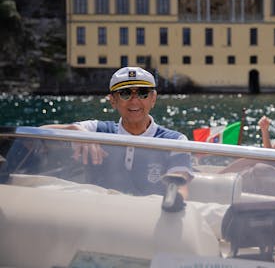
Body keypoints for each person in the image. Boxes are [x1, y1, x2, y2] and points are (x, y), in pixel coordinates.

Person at [40, 66, 193, 197]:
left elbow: (179, 184)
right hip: (100, 219)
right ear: (113, 101)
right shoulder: (96, 130)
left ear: (153, 99)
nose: (134, 100)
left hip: (149, 219)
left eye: (143, 93)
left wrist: (175, 198)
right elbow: (39, 134)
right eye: (125, 93)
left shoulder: (175, 141)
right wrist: (74, 130)